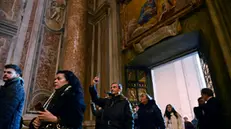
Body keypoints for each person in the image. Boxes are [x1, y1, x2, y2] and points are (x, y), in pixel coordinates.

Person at [0, 64, 25, 129]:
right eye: (4, 72)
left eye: (9, 72)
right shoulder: (9, 86)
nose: (5, 74)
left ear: (17, 75)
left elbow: (6, 111)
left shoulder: (16, 88)